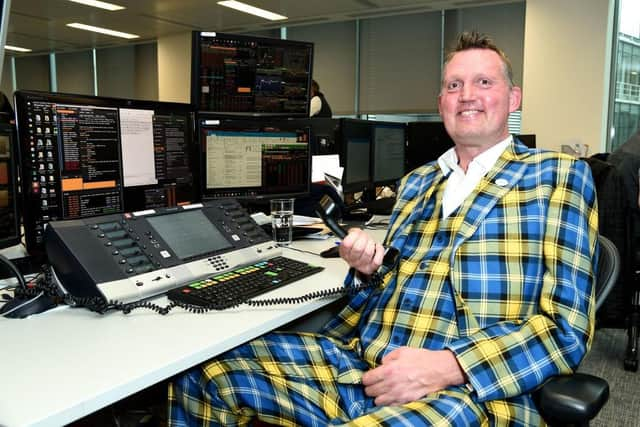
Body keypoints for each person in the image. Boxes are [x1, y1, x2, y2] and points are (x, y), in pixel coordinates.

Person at [168, 31, 599, 426]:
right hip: (362, 365)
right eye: (454, 85)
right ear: (441, 101)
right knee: (204, 376)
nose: (467, 96)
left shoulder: (556, 176)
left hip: (466, 392)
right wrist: (367, 270)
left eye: (484, 83)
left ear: (514, 98)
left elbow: (566, 328)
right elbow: (385, 290)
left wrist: (448, 365)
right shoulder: (416, 184)